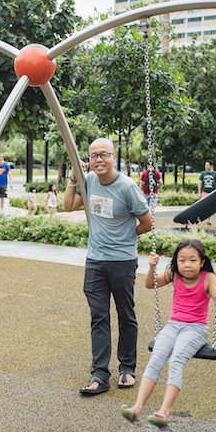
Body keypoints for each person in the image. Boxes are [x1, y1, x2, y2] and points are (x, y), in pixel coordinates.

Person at [64, 138, 152, 394]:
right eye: (93, 156)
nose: (98, 160)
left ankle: (127, 367)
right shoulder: (88, 181)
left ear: (114, 157)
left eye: (103, 154)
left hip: (122, 261)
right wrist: (72, 178)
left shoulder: (126, 187)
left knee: (126, 314)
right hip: (95, 261)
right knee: (98, 316)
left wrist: (124, 238)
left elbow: (147, 223)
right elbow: (68, 206)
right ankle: (99, 374)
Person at [120, 239, 216, 430]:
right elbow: (150, 285)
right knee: (156, 359)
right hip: (172, 326)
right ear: (176, 262)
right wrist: (152, 268)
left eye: (193, 260)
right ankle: (137, 408)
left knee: (176, 360)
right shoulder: (174, 274)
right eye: (182, 260)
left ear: (202, 262)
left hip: (195, 329)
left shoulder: (209, 277)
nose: (187, 265)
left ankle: (164, 411)